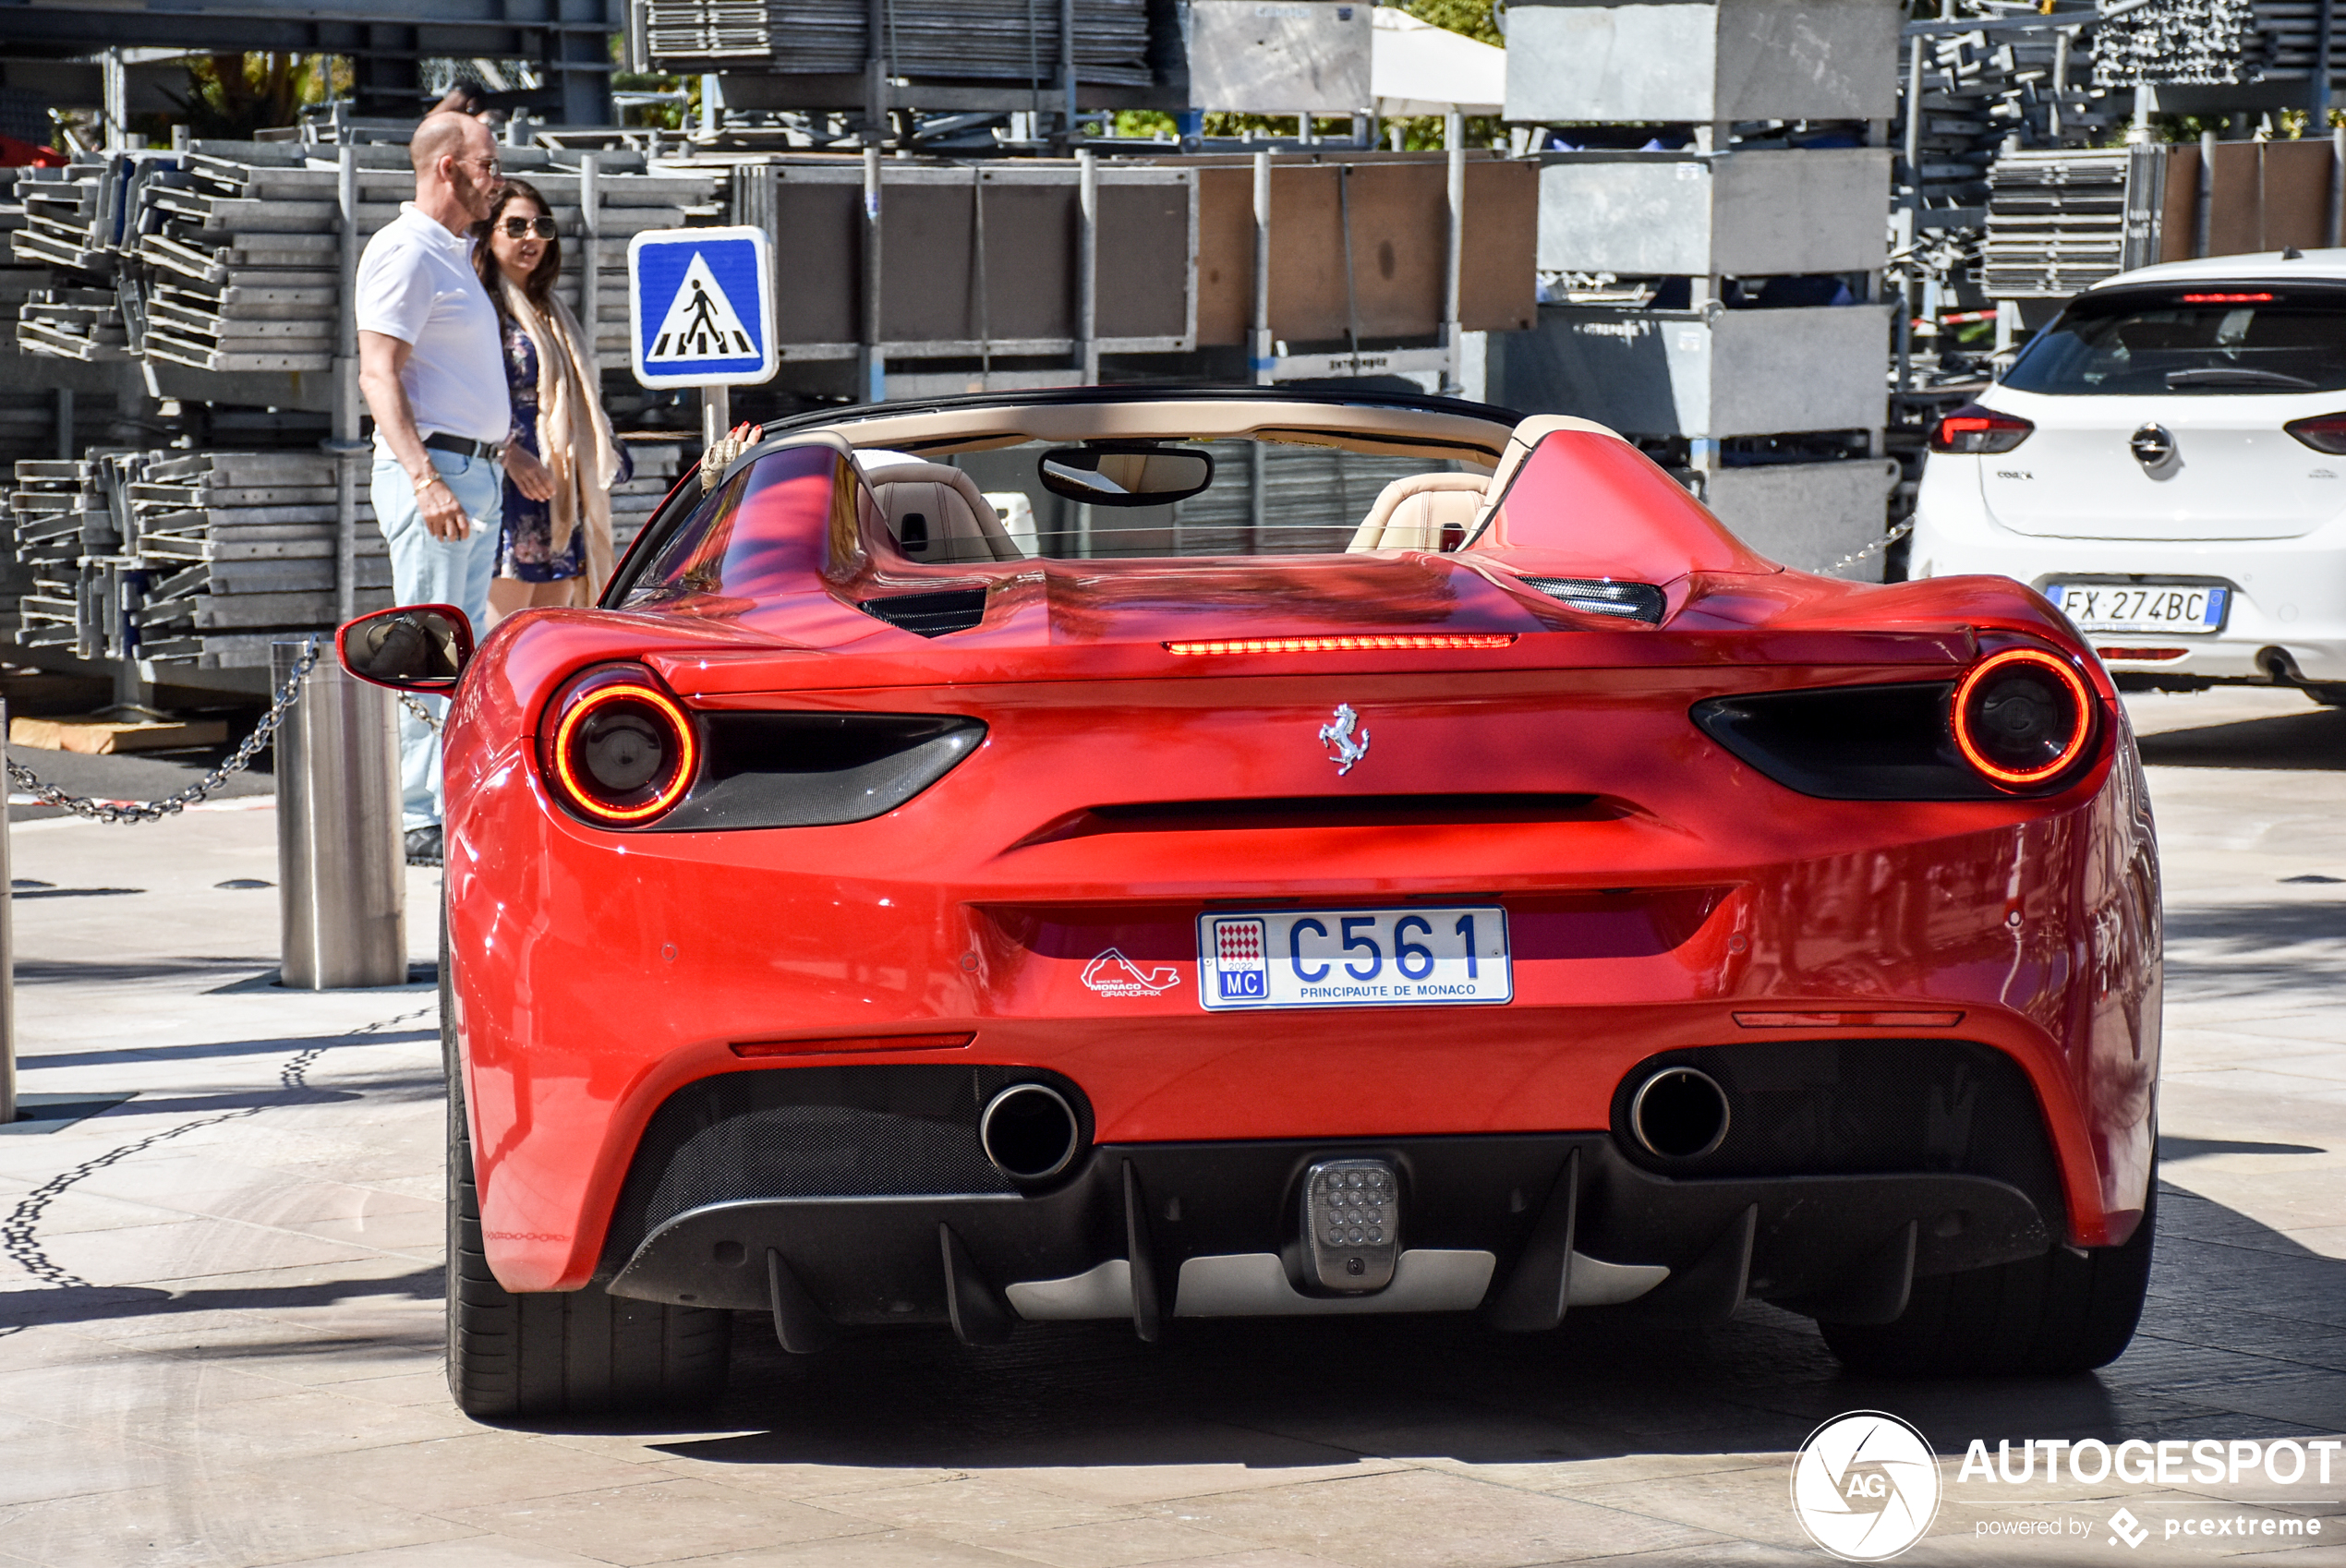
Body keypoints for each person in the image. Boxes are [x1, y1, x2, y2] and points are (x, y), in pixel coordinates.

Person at [356, 110, 511, 867]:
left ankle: (443, 800)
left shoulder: (452, 255)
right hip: (439, 474)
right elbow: (377, 372)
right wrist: (425, 479)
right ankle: (419, 816)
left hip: (470, 471)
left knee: (460, 648)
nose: (497, 177)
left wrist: (503, 456)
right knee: (427, 647)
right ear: (447, 167)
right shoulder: (407, 251)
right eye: (486, 163)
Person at [472, 179, 631, 620]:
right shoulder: (478, 306)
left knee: (550, 634)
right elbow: (465, 391)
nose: (531, 238)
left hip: (559, 489)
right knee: (502, 636)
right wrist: (510, 454)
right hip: (508, 486)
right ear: (488, 233)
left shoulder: (551, 309)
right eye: (516, 226)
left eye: (541, 226)